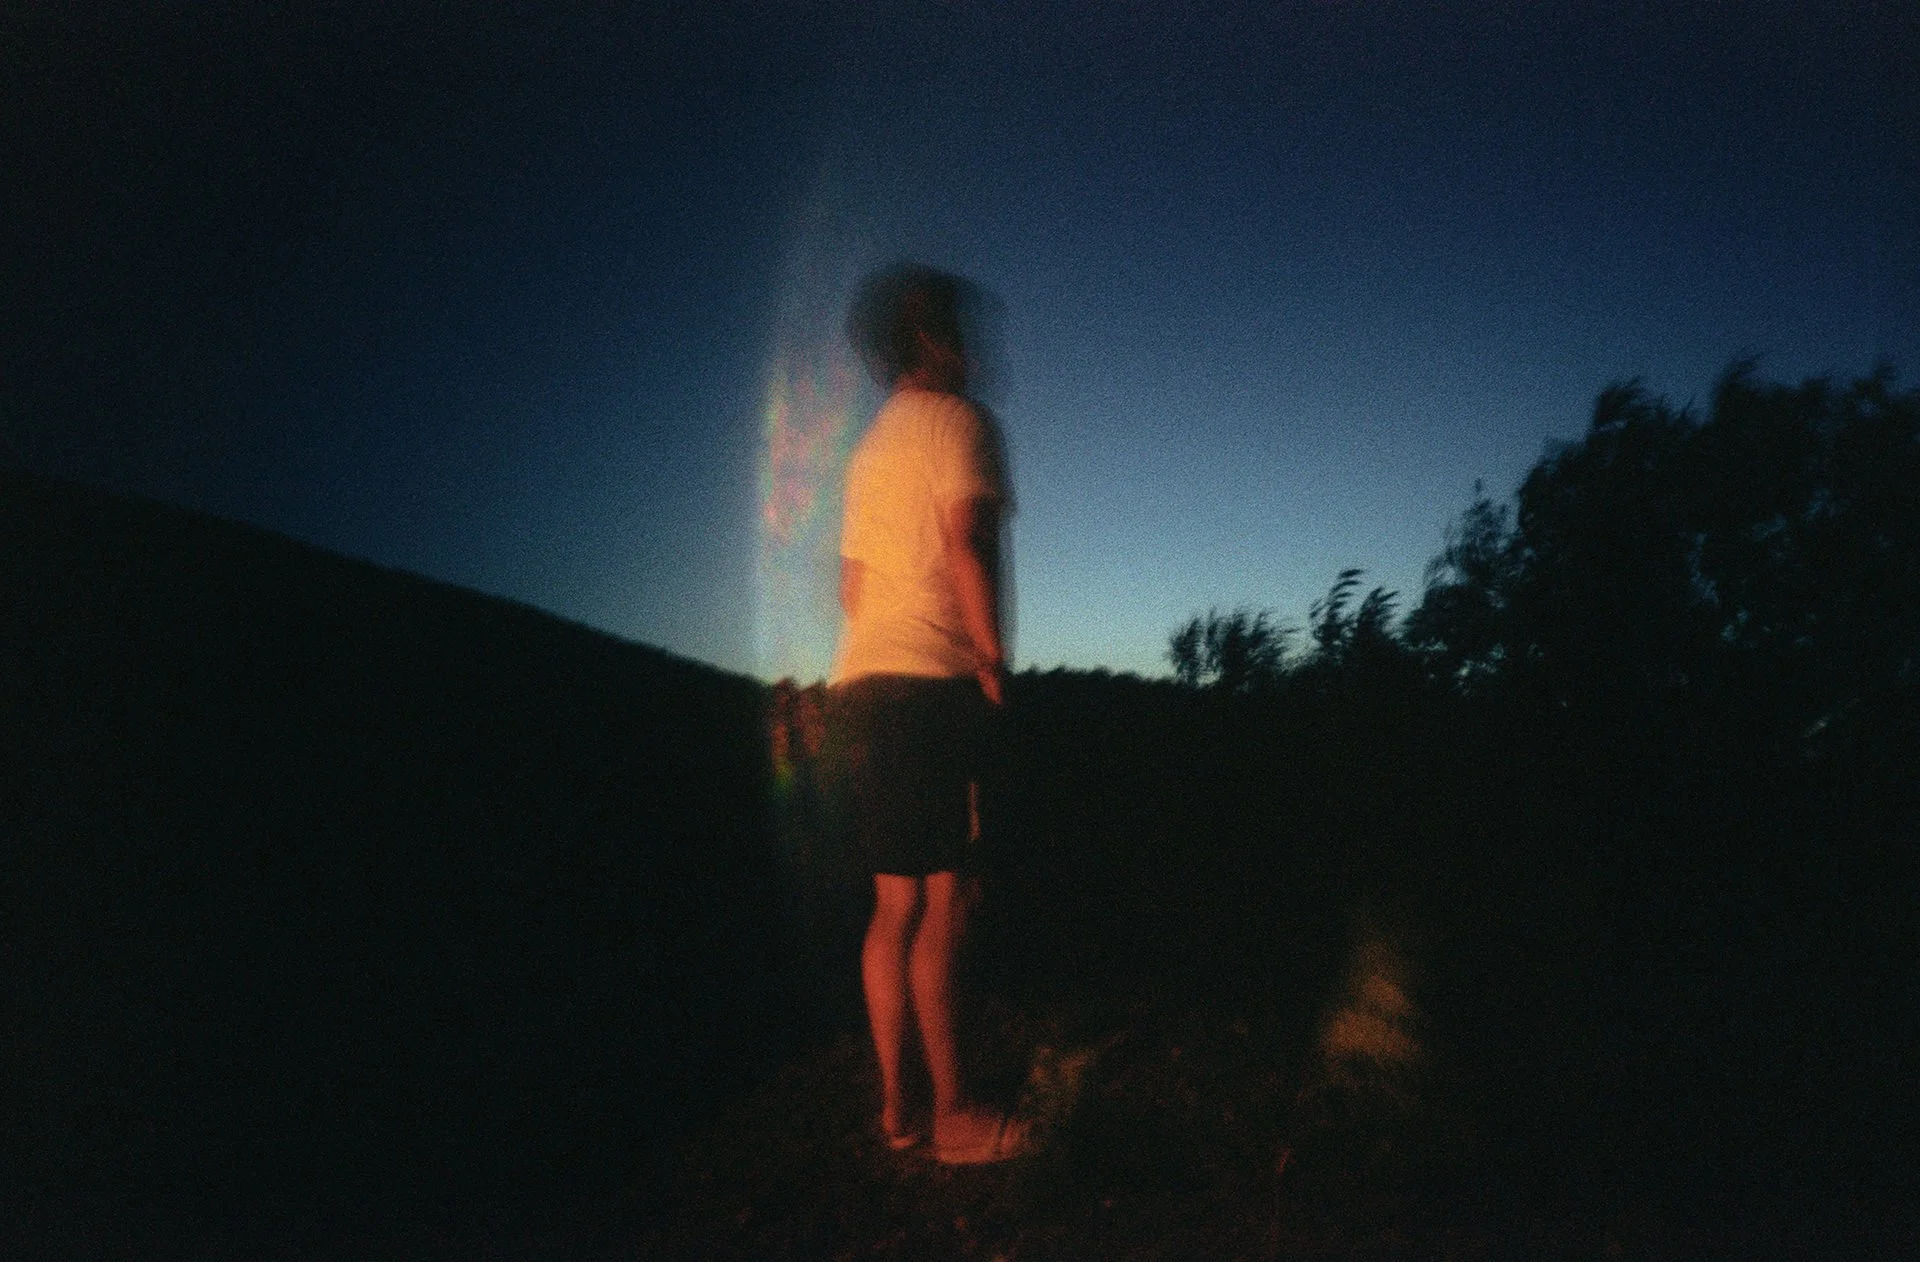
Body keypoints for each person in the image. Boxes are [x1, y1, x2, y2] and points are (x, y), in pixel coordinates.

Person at [829, 264, 1025, 1164]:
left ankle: (897, 1111)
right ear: (936, 340)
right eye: (960, 331)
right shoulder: (962, 425)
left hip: (862, 686)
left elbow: (851, 588)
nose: (974, 350)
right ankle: (955, 1119)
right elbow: (967, 544)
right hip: (929, 686)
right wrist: (989, 664)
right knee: (948, 900)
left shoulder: (869, 450)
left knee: (893, 905)